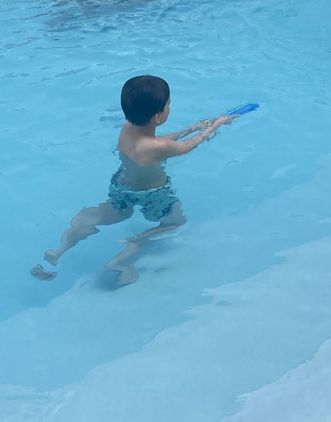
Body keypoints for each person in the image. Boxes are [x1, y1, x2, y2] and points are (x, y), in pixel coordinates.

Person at [30, 75, 237, 285]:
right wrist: (216, 125)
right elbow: (190, 145)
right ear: (158, 116)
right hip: (154, 195)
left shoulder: (127, 128)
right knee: (174, 223)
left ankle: (59, 249)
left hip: (122, 185)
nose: (169, 107)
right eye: (168, 105)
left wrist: (191, 128)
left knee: (101, 214)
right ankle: (122, 258)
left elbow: (159, 141)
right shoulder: (156, 148)